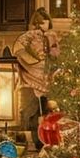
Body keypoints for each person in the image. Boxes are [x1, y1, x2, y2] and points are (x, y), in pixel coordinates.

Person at [11, 8, 58, 138]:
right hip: (29, 81)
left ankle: (42, 142)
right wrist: (33, 64)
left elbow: (54, 55)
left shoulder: (50, 36)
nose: (45, 25)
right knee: (29, 114)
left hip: (45, 81)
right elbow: (18, 50)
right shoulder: (29, 36)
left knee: (43, 114)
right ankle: (29, 142)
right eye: (42, 22)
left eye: (46, 22)